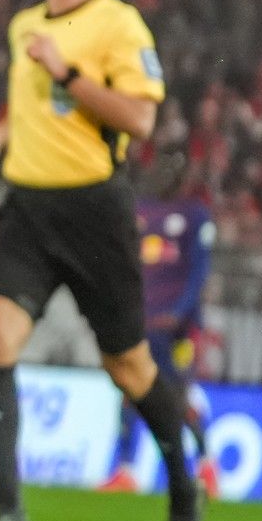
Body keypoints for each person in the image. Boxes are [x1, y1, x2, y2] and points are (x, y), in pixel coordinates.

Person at [0, 0, 204, 521]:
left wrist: (68, 71)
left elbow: (141, 120)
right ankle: (9, 509)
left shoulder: (118, 25)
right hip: (27, 211)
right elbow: (31, 104)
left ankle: (183, 488)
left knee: (130, 367)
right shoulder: (24, 25)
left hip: (94, 213)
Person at [98, 178, 219, 497]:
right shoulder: (140, 212)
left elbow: (199, 271)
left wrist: (179, 313)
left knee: (177, 396)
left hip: (178, 330)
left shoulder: (194, 214)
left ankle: (206, 465)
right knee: (129, 389)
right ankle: (125, 471)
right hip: (144, 323)